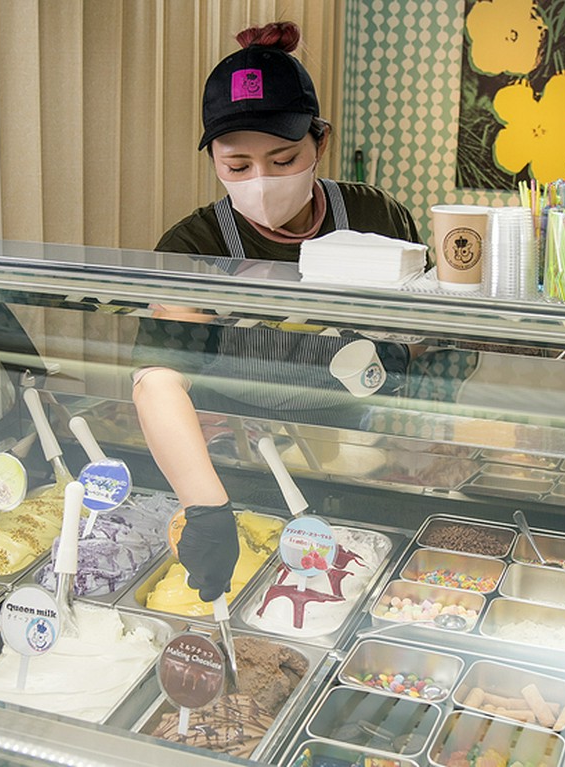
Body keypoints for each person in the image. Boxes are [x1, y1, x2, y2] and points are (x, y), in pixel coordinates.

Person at [132, 21, 423, 604]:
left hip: (357, 450)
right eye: (237, 167)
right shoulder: (194, 246)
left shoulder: (376, 217)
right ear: (213, 158)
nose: (261, 182)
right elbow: (157, 378)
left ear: (321, 143)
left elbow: (425, 337)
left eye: (284, 158)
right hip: (232, 457)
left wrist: (414, 420)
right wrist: (206, 507)